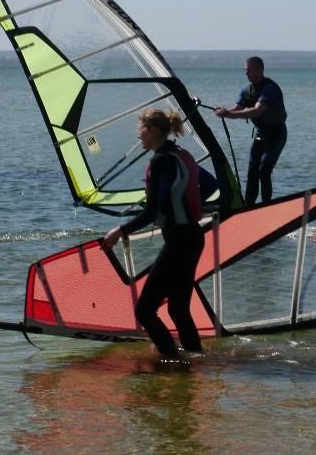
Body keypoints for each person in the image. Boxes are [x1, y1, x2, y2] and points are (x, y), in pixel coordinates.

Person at [101, 109, 206, 359]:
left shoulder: (161, 161)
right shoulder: (180, 154)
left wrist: (119, 231)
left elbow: (152, 212)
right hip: (193, 236)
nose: (139, 136)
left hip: (180, 241)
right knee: (178, 310)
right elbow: (209, 185)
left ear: (155, 131)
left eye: (142, 130)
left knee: (145, 310)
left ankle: (172, 359)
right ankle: (194, 360)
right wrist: (179, 198)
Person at [215, 56, 287, 205]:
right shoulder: (247, 89)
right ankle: (248, 207)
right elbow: (237, 109)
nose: (246, 74)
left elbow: (257, 111)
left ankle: (266, 206)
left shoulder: (269, 88)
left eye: (250, 71)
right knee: (252, 171)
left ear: (260, 70)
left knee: (264, 171)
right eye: (245, 71)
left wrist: (229, 114)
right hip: (261, 134)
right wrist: (225, 111)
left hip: (276, 134)